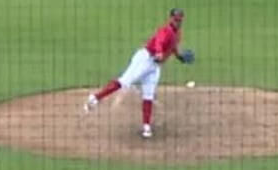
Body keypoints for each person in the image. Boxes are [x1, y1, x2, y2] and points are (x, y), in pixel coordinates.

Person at [83, 8, 195, 139]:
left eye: (180, 20)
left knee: (149, 95)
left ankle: (146, 127)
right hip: (145, 59)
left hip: (155, 67)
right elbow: (159, 42)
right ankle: (95, 98)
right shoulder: (165, 31)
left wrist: (179, 56)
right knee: (124, 82)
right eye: (176, 19)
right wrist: (159, 52)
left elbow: (173, 47)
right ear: (171, 18)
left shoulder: (178, 34)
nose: (178, 22)